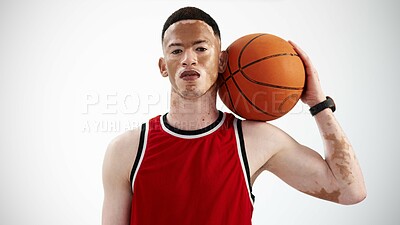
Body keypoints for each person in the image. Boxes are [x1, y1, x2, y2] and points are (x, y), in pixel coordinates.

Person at [102, 6, 366, 225]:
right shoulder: (127, 149)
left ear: (221, 61)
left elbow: (349, 190)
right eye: (176, 50)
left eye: (201, 48)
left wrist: (319, 104)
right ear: (163, 66)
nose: (188, 59)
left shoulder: (254, 139)